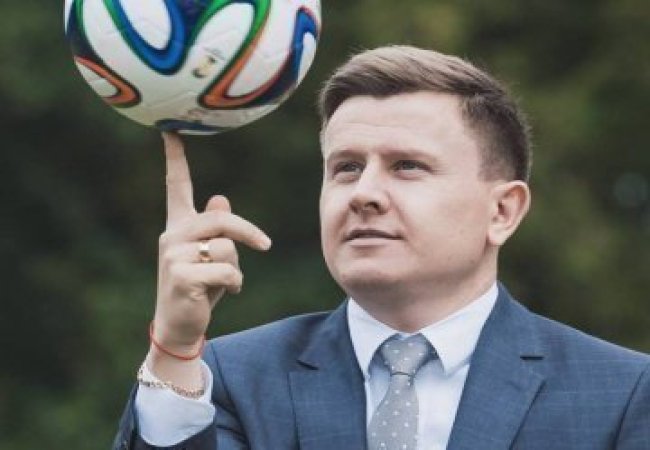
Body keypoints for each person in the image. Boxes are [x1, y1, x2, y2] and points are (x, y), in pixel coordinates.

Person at [113, 46, 650, 450]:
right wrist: (174, 348)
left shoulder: (623, 394)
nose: (363, 193)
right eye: (346, 168)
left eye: (407, 166)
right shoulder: (229, 378)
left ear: (502, 211)